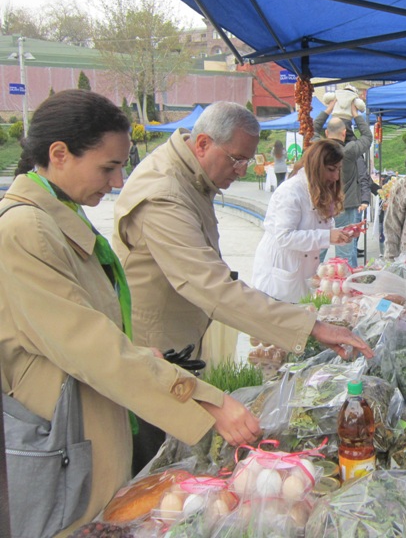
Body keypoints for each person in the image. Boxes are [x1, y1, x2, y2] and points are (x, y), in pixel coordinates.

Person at [0, 90, 261, 536]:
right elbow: (93, 348)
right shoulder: (25, 230)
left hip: (92, 426)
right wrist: (206, 399)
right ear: (59, 155)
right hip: (63, 444)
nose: (118, 182)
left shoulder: (59, 216)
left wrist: (144, 355)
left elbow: (97, 328)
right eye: (108, 168)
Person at [113, 101, 372, 467]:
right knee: (156, 463)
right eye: (237, 159)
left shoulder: (192, 175)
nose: (243, 170)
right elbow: (213, 288)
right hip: (154, 355)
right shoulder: (165, 193)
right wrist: (312, 326)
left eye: (248, 160)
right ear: (203, 144)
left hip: (180, 345)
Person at [252, 140, 353, 303]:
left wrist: (342, 233)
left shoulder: (319, 189)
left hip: (303, 271)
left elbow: (321, 225)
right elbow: (285, 237)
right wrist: (327, 236)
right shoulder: (290, 191)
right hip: (280, 275)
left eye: (338, 170)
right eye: (331, 170)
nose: (335, 177)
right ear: (316, 167)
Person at [313, 98, 373, 268]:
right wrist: (355, 114)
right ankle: (346, 282)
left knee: (318, 251)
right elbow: (367, 136)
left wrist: (328, 110)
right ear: (344, 133)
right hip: (346, 206)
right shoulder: (350, 150)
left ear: (326, 133)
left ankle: (313, 279)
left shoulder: (318, 148)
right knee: (345, 253)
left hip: (322, 205)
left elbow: (312, 128)